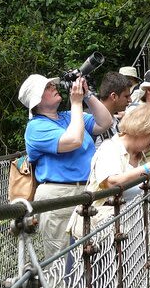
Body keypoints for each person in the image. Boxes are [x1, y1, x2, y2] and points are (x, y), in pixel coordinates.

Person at [18, 73, 113, 259]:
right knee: (62, 261)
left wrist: (87, 95)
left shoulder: (68, 116)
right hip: (59, 196)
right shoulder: (35, 128)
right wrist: (76, 103)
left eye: (52, 85)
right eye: (47, 88)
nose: (54, 87)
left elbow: (105, 123)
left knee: (90, 256)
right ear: (36, 101)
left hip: (87, 190)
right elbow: (74, 140)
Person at [85, 103, 150, 223]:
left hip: (130, 228)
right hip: (106, 231)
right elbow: (112, 182)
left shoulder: (138, 153)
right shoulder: (110, 148)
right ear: (143, 130)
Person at [95, 71, 133, 147]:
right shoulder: (91, 123)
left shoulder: (117, 122)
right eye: (126, 96)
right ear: (113, 96)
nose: (130, 100)